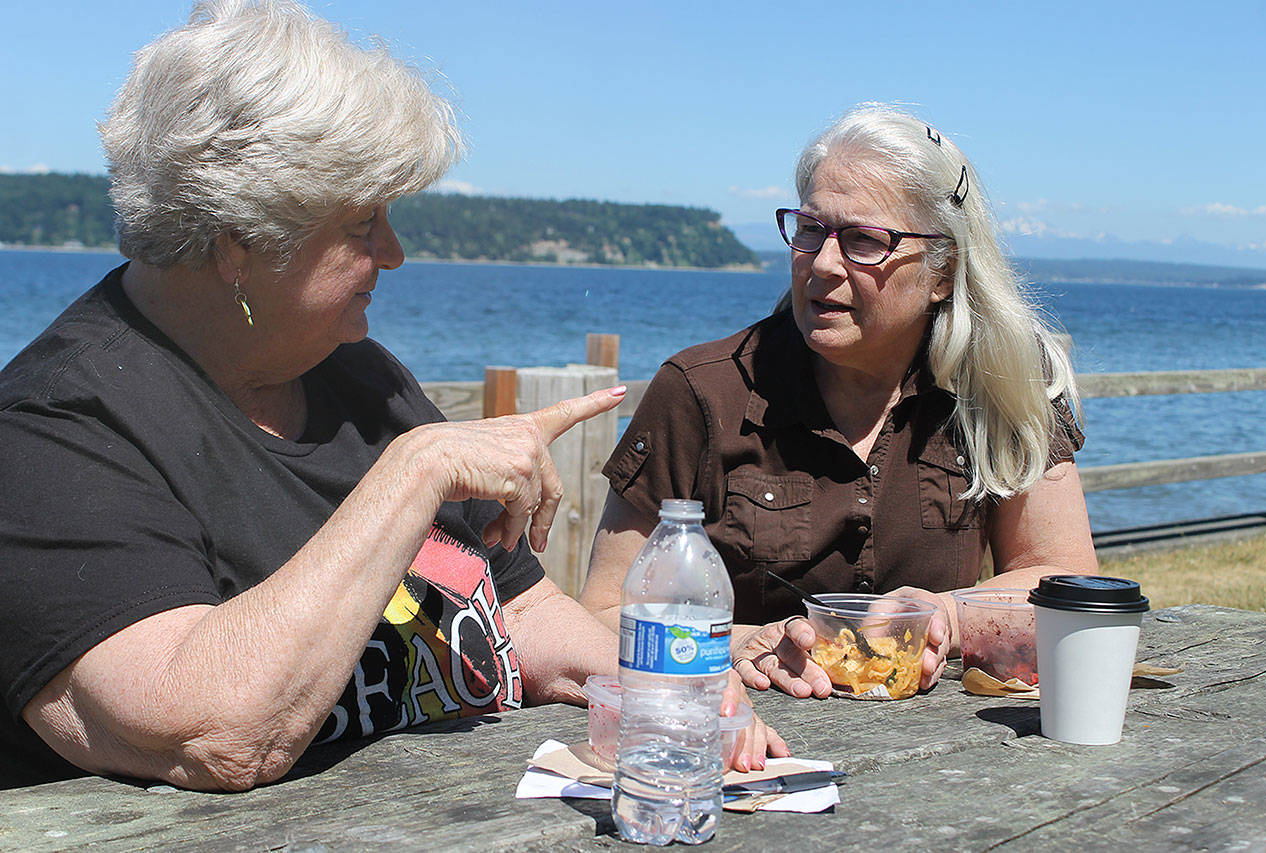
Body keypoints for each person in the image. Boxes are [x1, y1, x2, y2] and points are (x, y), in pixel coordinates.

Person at [0, 0, 780, 791]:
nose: (396, 253)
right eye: (363, 224)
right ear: (240, 238)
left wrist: (671, 690)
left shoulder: (360, 377)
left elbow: (525, 614)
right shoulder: (56, 432)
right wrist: (412, 473)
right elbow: (215, 733)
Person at [579, 104, 1098, 699]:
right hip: (749, 753)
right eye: (809, 229)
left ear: (943, 272)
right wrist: (741, 642)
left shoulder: (1004, 386)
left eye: (862, 241)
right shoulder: (701, 392)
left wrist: (944, 617)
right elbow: (602, 614)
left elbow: (1067, 581)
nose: (823, 264)